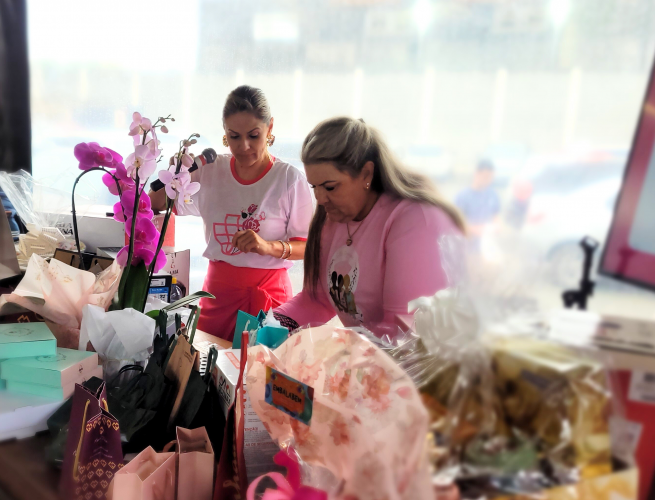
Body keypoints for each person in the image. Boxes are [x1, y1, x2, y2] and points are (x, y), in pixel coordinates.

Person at [272, 117, 465, 335]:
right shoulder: (333, 220)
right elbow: (317, 300)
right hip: (371, 358)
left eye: (330, 187)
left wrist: (341, 349)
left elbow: (403, 329)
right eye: (314, 186)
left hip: (416, 363)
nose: (320, 198)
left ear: (366, 174)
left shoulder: (413, 219)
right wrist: (272, 326)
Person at [150, 85, 315, 340]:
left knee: (260, 375)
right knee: (206, 371)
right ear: (225, 133)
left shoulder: (288, 179)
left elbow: (308, 247)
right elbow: (156, 203)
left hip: (269, 298)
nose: (244, 146)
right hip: (217, 295)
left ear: (270, 128)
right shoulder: (210, 170)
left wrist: (267, 247)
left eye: (254, 135)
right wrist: (175, 175)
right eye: (234, 136)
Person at [455, 159, 501, 244]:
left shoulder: (493, 195)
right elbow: (457, 223)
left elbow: (496, 216)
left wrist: (496, 227)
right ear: (476, 174)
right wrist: (478, 230)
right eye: (486, 177)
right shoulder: (462, 197)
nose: (488, 180)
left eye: (491, 177)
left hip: (488, 244)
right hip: (468, 244)